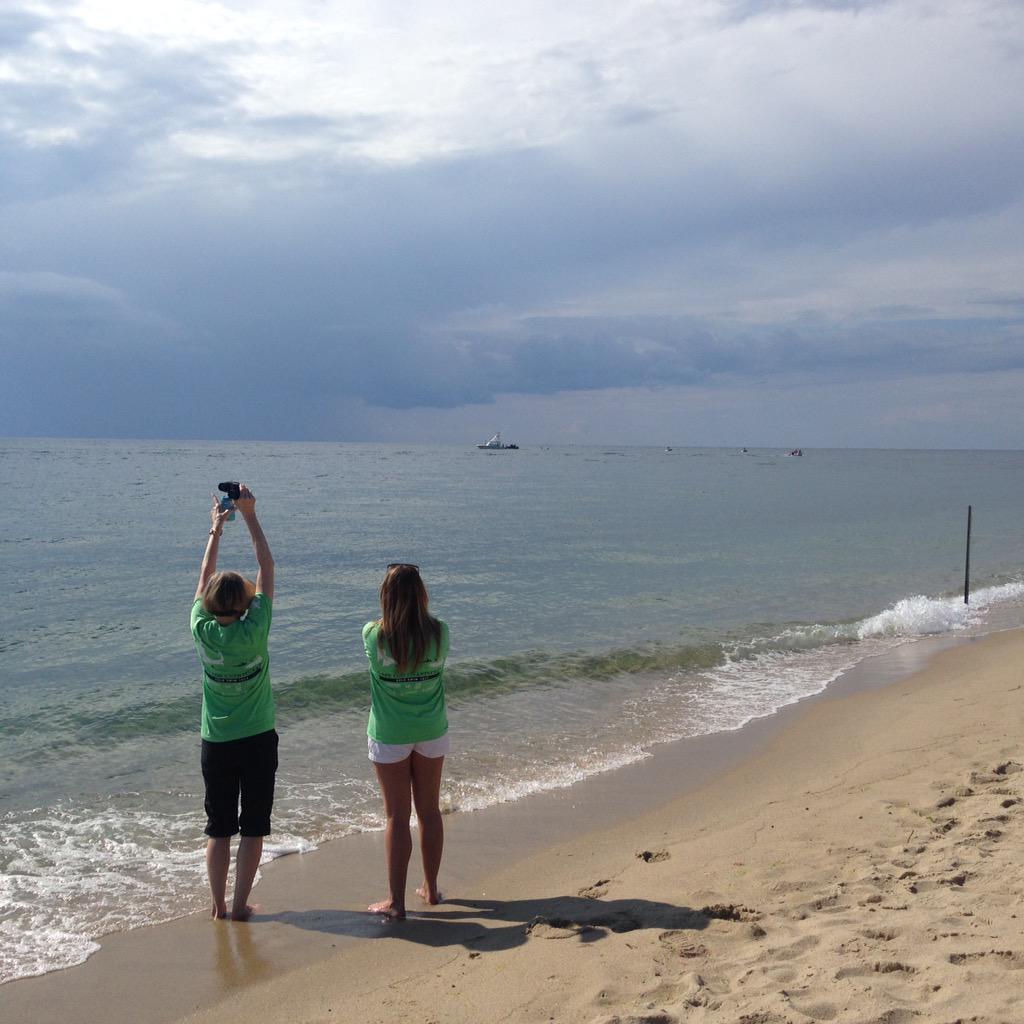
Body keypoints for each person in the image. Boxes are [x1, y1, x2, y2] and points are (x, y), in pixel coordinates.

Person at [191, 484, 276, 921]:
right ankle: (241, 904)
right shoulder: (255, 627)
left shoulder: (202, 629)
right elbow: (266, 565)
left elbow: (204, 582)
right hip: (258, 738)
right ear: (246, 603)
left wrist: (215, 530)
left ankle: (219, 906)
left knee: (219, 829)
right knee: (253, 828)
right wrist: (250, 515)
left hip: (217, 741)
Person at [362, 563, 450, 920]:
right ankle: (430, 888)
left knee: (397, 816)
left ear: (386, 597)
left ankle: (396, 902)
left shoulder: (374, 635)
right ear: (422, 596)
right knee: (429, 811)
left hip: (389, 734)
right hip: (431, 729)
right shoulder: (440, 633)